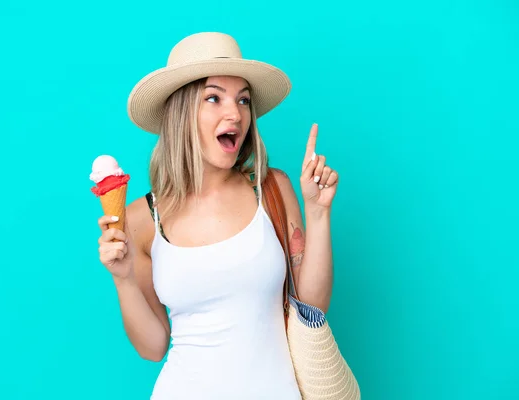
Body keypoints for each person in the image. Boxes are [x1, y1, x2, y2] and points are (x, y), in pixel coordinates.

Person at [96, 32, 339, 399]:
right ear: (181, 113)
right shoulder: (144, 219)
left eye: (243, 100)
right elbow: (153, 346)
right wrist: (124, 279)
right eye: (214, 97)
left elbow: (313, 306)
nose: (235, 114)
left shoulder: (272, 190)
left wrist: (318, 214)